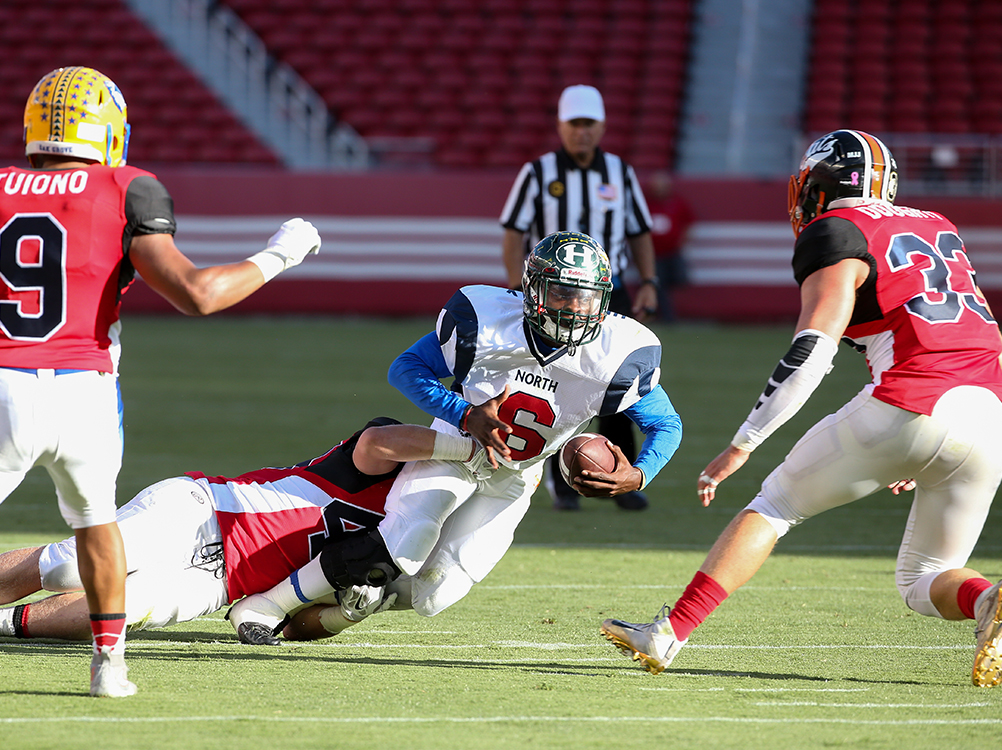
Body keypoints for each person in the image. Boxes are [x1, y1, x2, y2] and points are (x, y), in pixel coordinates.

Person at [0, 66, 322, 697]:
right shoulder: (128, 188)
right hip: (86, 390)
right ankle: (110, 668)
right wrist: (281, 253)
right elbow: (198, 294)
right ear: (108, 131)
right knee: (94, 525)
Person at [601, 130, 1002, 688]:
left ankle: (667, 633)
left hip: (911, 401)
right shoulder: (937, 226)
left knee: (773, 506)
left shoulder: (837, 232)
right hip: (991, 415)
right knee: (926, 578)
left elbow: (812, 352)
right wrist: (918, 447)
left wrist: (744, 441)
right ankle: (991, 598)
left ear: (818, 185)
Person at [226, 231, 683, 639]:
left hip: (515, 479)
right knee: (407, 538)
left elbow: (666, 424)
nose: (574, 308)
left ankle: (362, 598)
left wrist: (640, 475)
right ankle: (268, 603)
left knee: (435, 594)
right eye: (562, 294)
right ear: (534, 290)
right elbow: (406, 368)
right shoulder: (486, 321)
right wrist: (465, 414)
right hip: (456, 449)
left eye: (585, 297)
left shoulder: (616, 354)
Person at [0, 419, 487, 646]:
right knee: (68, 565)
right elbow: (379, 439)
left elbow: (290, 623)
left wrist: (347, 616)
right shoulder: (385, 460)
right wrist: (464, 444)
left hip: (220, 583)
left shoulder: (404, 543)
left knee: (125, 607)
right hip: (205, 510)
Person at [499, 84, 659, 512]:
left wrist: (649, 280)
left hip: (608, 292)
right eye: (575, 124)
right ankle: (559, 478)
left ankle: (618, 474)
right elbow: (513, 233)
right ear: (561, 126)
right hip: (551, 295)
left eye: (589, 124)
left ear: (602, 126)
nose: (582, 132)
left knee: (620, 381)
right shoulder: (538, 173)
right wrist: (519, 284)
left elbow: (639, 230)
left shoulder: (619, 173)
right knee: (553, 381)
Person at [645, 171, 695, 322]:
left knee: (678, 281)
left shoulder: (677, 203)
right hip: (653, 254)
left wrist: (681, 242)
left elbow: (688, 223)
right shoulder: (647, 204)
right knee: (659, 285)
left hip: (672, 252)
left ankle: (669, 312)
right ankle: (665, 315)